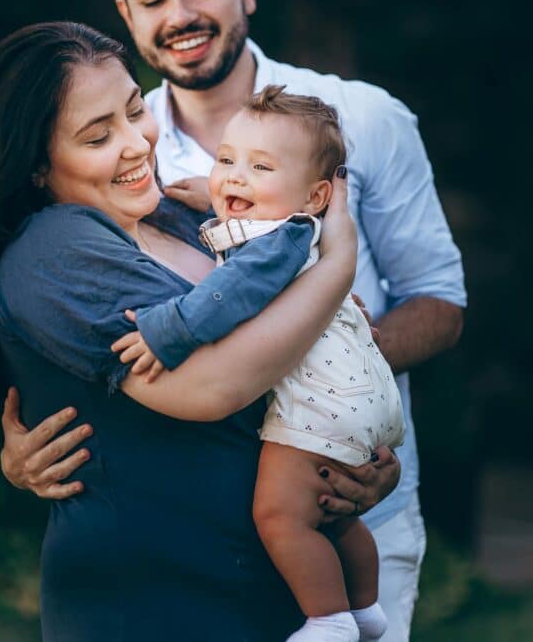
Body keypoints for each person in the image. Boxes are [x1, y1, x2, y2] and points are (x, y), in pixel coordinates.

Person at [0, 0, 466, 640]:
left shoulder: (363, 118)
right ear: (124, 13)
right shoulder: (124, 144)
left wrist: (338, 399)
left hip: (363, 503)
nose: (180, 14)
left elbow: (441, 302)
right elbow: (63, 313)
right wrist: (17, 453)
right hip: (217, 557)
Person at [0, 21, 400, 642]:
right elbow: (209, 388)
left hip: (266, 598)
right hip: (159, 603)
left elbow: (302, 353)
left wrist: (355, 459)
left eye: (135, 110)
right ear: (37, 166)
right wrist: (337, 262)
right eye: (98, 135)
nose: (136, 143)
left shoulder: (183, 220)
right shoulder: (55, 249)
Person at [113, 84, 406, 642]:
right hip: (358, 396)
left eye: (260, 167)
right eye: (226, 160)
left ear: (317, 196)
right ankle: (366, 609)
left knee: (280, 516)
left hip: (320, 402)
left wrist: (166, 331)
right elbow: (244, 207)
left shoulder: (276, 243)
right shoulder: (295, 231)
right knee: (336, 516)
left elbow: (230, 291)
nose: (234, 177)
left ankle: (330, 620)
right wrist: (215, 190)